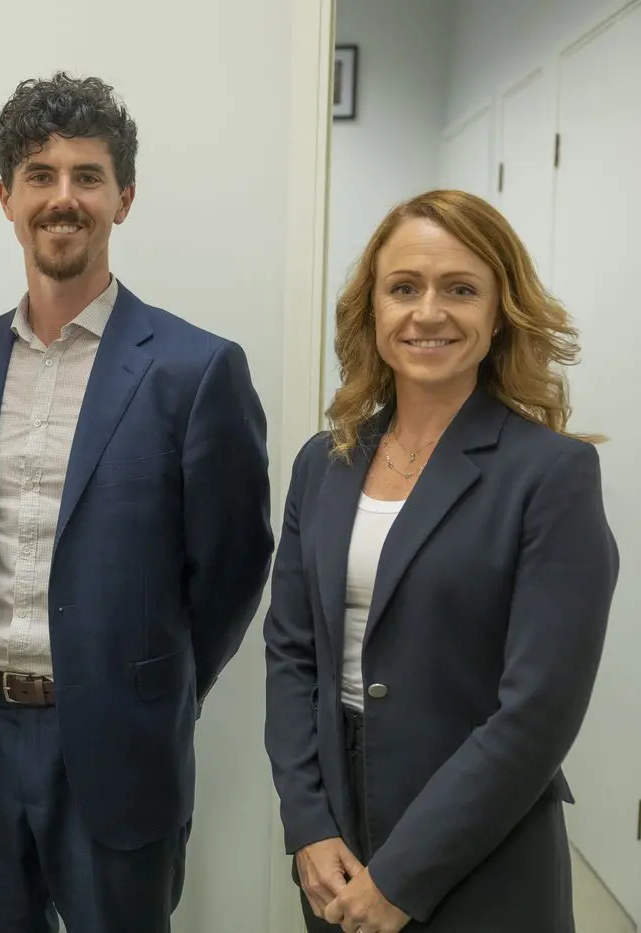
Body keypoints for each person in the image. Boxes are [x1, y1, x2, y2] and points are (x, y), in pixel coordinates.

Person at [0, 72, 274, 933]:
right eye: (39, 175)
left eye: (87, 176)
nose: (63, 197)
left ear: (123, 198)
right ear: (5, 198)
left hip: (123, 742)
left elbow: (231, 565)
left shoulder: (195, 369)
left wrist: (156, 682)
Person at [264, 189, 618, 933]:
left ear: (498, 314)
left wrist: (403, 874)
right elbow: (292, 653)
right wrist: (306, 824)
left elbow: (537, 711)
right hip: (336, 845)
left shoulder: (549, 475)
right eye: (404, 288)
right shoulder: (320, 465)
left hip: (479, 847)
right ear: (373, 311)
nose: (428, 313)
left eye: (460, 289)